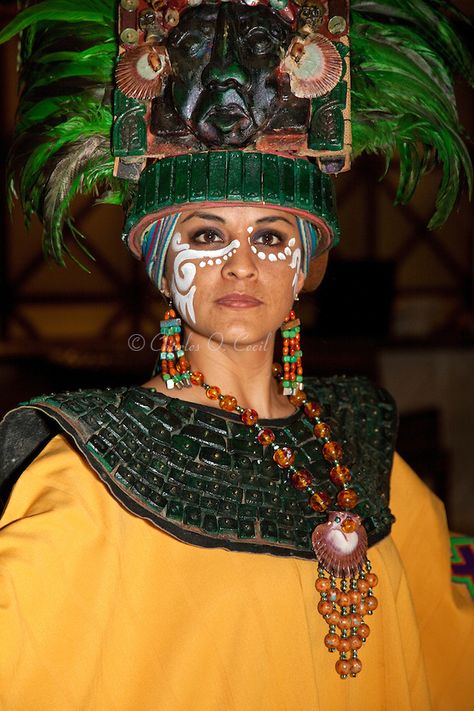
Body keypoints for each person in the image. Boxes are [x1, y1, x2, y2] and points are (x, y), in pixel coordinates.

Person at [0, 1, 473, 710]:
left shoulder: (369, 454)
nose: (242, 264)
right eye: (207, 233)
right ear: (162, 265)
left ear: (304, 268)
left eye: (273, 237)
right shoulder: (86, 480)